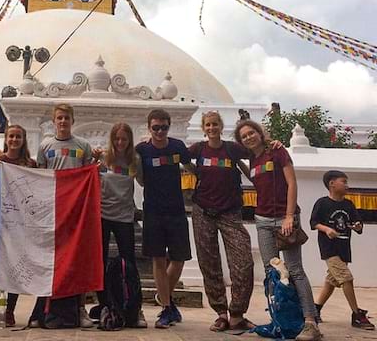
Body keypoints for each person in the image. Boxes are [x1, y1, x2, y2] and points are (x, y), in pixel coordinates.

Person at [235, 119, 322, 341]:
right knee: (271, 272)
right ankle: (281, 319)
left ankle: (310, 322)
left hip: (285, 218)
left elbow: (292, 183)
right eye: (243, 136)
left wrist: (289, 216)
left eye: (251, 132)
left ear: (259, 132)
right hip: (263, 219)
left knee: (294, 270)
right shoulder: (252, 159)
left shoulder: (278, 151)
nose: (248, 137)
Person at [188, 111, 254, 332]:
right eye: (207, 125)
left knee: (243, 262)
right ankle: (221, 313)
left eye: (215, 124)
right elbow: (178, 157)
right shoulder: (198, 149)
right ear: (203, 128)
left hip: (230, 212)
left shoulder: (232, 149)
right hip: (203, 212)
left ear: (221, 126)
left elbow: (256, 151)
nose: (211, 128)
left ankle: (237, 313)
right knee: (209, 263)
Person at [35, 103, 94, 328]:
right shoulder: (45, 146)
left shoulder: (83, 146)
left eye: (66, 118)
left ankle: (80, 309)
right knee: (51, 259)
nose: (62, 122)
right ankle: (44, 309)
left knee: (77, 259)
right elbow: (40, 176)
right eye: (59, 118)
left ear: (72, 120)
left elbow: (89, 176)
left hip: (77, 212)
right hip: (53, 210)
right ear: (54, 121)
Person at [136, 108, 193, 329]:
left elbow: (191, 168)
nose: (160, 131)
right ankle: (167, 307)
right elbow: (135, 174)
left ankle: (164, 297)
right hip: (153, 211)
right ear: (149, 128)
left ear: (169, 127)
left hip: (177, 209)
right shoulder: (141, 150)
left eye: (164, 127)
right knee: (158, 259)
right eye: (155, 127)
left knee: (179, 258)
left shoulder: (178, 147)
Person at [93, 123, 147, 328]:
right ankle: (105, 305)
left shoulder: (135, 160)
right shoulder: (103, 159)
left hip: (125, 216)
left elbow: (144, 181)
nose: (120, 142)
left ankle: (134, 307)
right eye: (117, 139)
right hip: (102, 215)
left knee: (130, 263)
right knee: (100, 261)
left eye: (124, 139)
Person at [0, 124, 37, 327]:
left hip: (21, 223)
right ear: (6, 139)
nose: (14, 140)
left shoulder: (31, 164)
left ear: (23, 139)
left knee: (16, 267)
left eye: (18, 137)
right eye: (11, 136)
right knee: (1, 268)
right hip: (0, 220)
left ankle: (10, 310)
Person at [311, 170, 374, 330]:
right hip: (329, 248)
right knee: (346, 278)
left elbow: (357, 222)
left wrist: (358, 226)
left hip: (344, 248)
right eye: (343, 182)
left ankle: (315, 310)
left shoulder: (348, 204)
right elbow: (314, 222)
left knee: (331, 281)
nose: (347, 185)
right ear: (332, 184)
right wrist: (326, 229)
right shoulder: (322, 203)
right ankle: (356, 314)